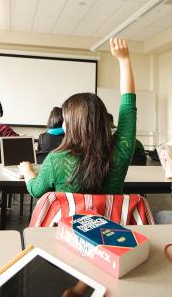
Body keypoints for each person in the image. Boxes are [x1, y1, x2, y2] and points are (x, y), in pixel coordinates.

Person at [20, 38, 136, 198]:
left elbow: (35, 190)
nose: (64, 124)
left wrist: (27, 171)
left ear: (74, 125)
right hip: (110, 223)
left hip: (69, 224)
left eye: (66, 119)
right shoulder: (120, 152)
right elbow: (128, 107)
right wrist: (124, 60)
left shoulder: (56, 160)